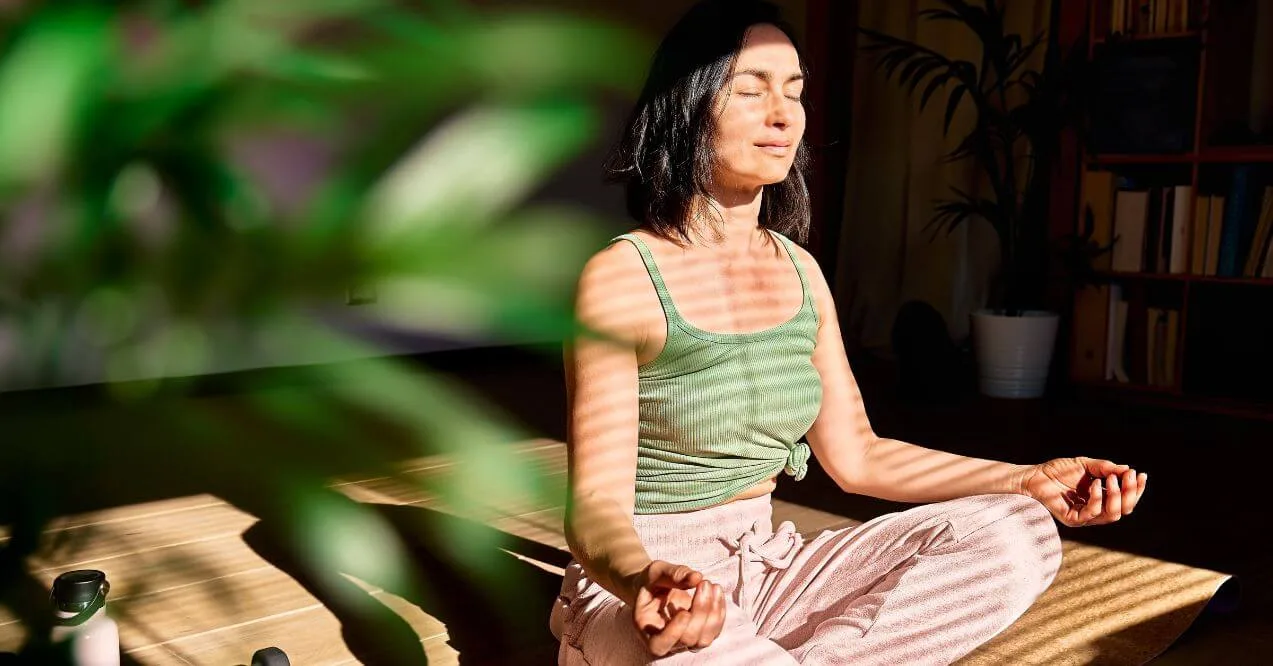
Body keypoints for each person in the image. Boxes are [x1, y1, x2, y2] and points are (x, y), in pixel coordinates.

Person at [550, 1, 1147, 663]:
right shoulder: (622, 277)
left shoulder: (798, 270)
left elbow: (858, 456)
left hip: (768, 567)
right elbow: (595, 505)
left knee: (1019, 531)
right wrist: (641, 578)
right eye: (749, 91)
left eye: (794, 92)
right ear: (684, 108)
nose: (782, 115)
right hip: (653, 590)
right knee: (698, 647)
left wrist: (1024, 479)